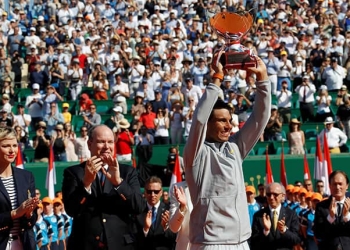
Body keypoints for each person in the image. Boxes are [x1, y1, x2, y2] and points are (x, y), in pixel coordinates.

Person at [184, 53, 271, 249]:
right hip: (211, 242)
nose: (228, 126)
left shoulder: (234, 147)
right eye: (222, 120)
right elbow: (198, 119)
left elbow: (260, 119)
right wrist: (217, 78)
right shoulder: (196, 153)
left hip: (240, 242)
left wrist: (263, 78)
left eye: (230, 120)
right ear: (209, 123)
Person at [62, 125, 145, 250]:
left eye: (110, 142)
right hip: (85, 245)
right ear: (90, 144)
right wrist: (86, 183)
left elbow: (138, 207)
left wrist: (118, 183)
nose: (107, 146)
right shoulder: (74, 173)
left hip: (121, 245)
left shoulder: (127, 172)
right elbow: (71, 210)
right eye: (101, 142)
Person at [0, 126, 39, 250]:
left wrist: (29, 213)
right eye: (6, 146)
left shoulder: (26, 176)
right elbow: (16, 213)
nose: (12, 150)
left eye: (14, 145)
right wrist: (15, 213)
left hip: (24, 244)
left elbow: (31, 221)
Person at [250, 183, 301, 250]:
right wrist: (266, 231)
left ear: (283, 196)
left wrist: (284, 231)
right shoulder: (259, 216)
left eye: (275, 194)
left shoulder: (291, 214)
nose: (271, 197)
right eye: (268, 194)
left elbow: (296, 240)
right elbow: (254, 242)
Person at [134, 176, 176, 250]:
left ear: (161, 192)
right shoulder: (138, 211)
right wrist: (146, 229)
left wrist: (165, 227)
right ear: (145, 192)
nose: (153, 195)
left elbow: (175, 238)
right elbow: (134, 239)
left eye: (156, 192)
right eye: (149, 192)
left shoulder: (169, 210)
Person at [314, 170, 350, 250]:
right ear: (330, 186)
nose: (337, 187)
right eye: (334, 184)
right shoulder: (321, 207)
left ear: (347, 186)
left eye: (340, 184)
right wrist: (330, 217)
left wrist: (347, 216)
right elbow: (318, 233)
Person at [169, 182, 193, 250]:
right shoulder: (177, 188)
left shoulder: (213, 185)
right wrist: (182, 207)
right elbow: (174, 228)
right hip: (185, 246)